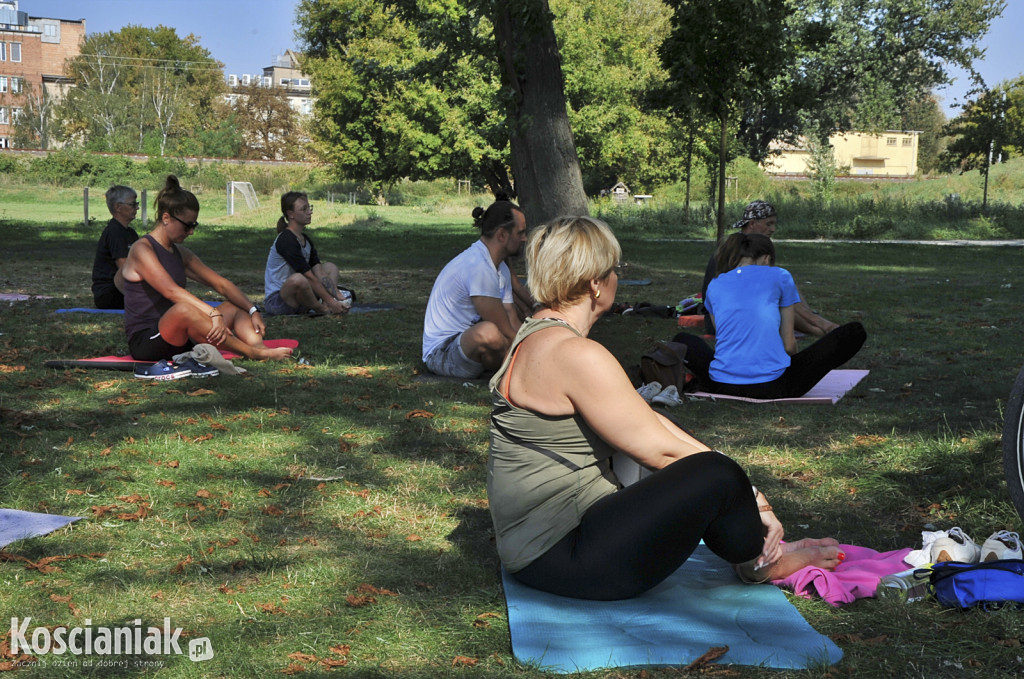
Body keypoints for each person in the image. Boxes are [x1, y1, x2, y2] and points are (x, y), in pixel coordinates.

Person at [487, 215, 841, 601]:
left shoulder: (533, 334)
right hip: (564, 557)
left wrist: (738, 489)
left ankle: (759, 551)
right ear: (595, 284)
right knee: (718, 475)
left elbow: (647, 421)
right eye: (614, 270)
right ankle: (762, 560)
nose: (616, 278)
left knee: (705, 462)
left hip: (539, 549)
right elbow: (662, 451)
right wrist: (752, 497)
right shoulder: (575, 354)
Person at [121, 175, 294, 363]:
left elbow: (222, 285)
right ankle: (252, 353)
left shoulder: (180, 253)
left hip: (180, 336)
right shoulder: (142, 249)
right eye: (187, 226)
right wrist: (213, 313)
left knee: (235, 305)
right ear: (166, 218)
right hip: (147, 341)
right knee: (184, 310)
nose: (191, 232)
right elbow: (171, 291)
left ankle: (259, 348)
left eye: (194, 225)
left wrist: (253, 310)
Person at [674, 232, 866, 399]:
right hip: (774, 386)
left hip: (722, 384)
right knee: (854, 332)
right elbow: (789, 346)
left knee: (681, 340)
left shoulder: (715, 285)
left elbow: (723, 337)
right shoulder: (779, 276)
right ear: (766, 259)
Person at [422, 195, 528, 378]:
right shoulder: (479, 266)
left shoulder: (500, 267)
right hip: (441, 352)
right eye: (520, 233)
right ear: (502, 235)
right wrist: (533, 352)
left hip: (465, 346)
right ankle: (522, 371)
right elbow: (504, 328)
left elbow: (512, 318)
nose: (525, 238)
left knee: (503, 335)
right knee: (488, 333)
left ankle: (513, 369)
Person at [702, 200, 839, 336]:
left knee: (786, 285)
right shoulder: (739, 248)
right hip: (725, 316)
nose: (773, 229)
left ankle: (816, 323)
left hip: (740, 306)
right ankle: (820, 328)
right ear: (752, 224)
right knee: (779, 299)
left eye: (773, 224)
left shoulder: (748, 245)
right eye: (768, 224)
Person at [264, 192, 351, 316]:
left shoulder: (305, 240)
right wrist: (331, 301)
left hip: (300, 297)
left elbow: (319, 272)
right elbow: (309, 276)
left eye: (309, 207)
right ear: (291, 214)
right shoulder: (286, 240)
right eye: (304, 209)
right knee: (299, 278)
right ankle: (323, 309)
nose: (309, 212)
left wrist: (338, 296)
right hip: (278, 303)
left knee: (330, 267)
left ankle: (330, 305)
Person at [91, 185, 140, 309]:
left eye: (136, 204)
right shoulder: (114, 232)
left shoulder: (130, 233)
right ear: (118, 207)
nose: (137, 208)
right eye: (132, 204)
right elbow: (125, 269)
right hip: (109, 293)